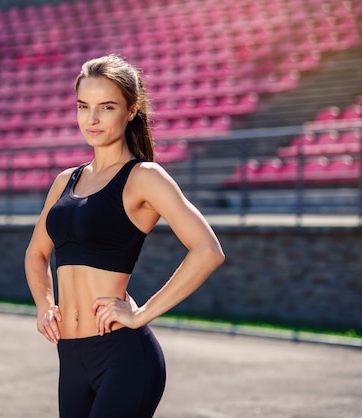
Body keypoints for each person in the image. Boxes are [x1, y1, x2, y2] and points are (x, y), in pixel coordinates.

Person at [24, 54, 225, 418]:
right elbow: (37, 253)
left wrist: (142, 313)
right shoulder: (64, 181)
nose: (92, 118)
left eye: (107, 106)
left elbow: (208, 251)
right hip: (70, 358)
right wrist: (44, 305)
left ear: (131, 110)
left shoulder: (144, 177)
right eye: (84, 106)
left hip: (123, 357)